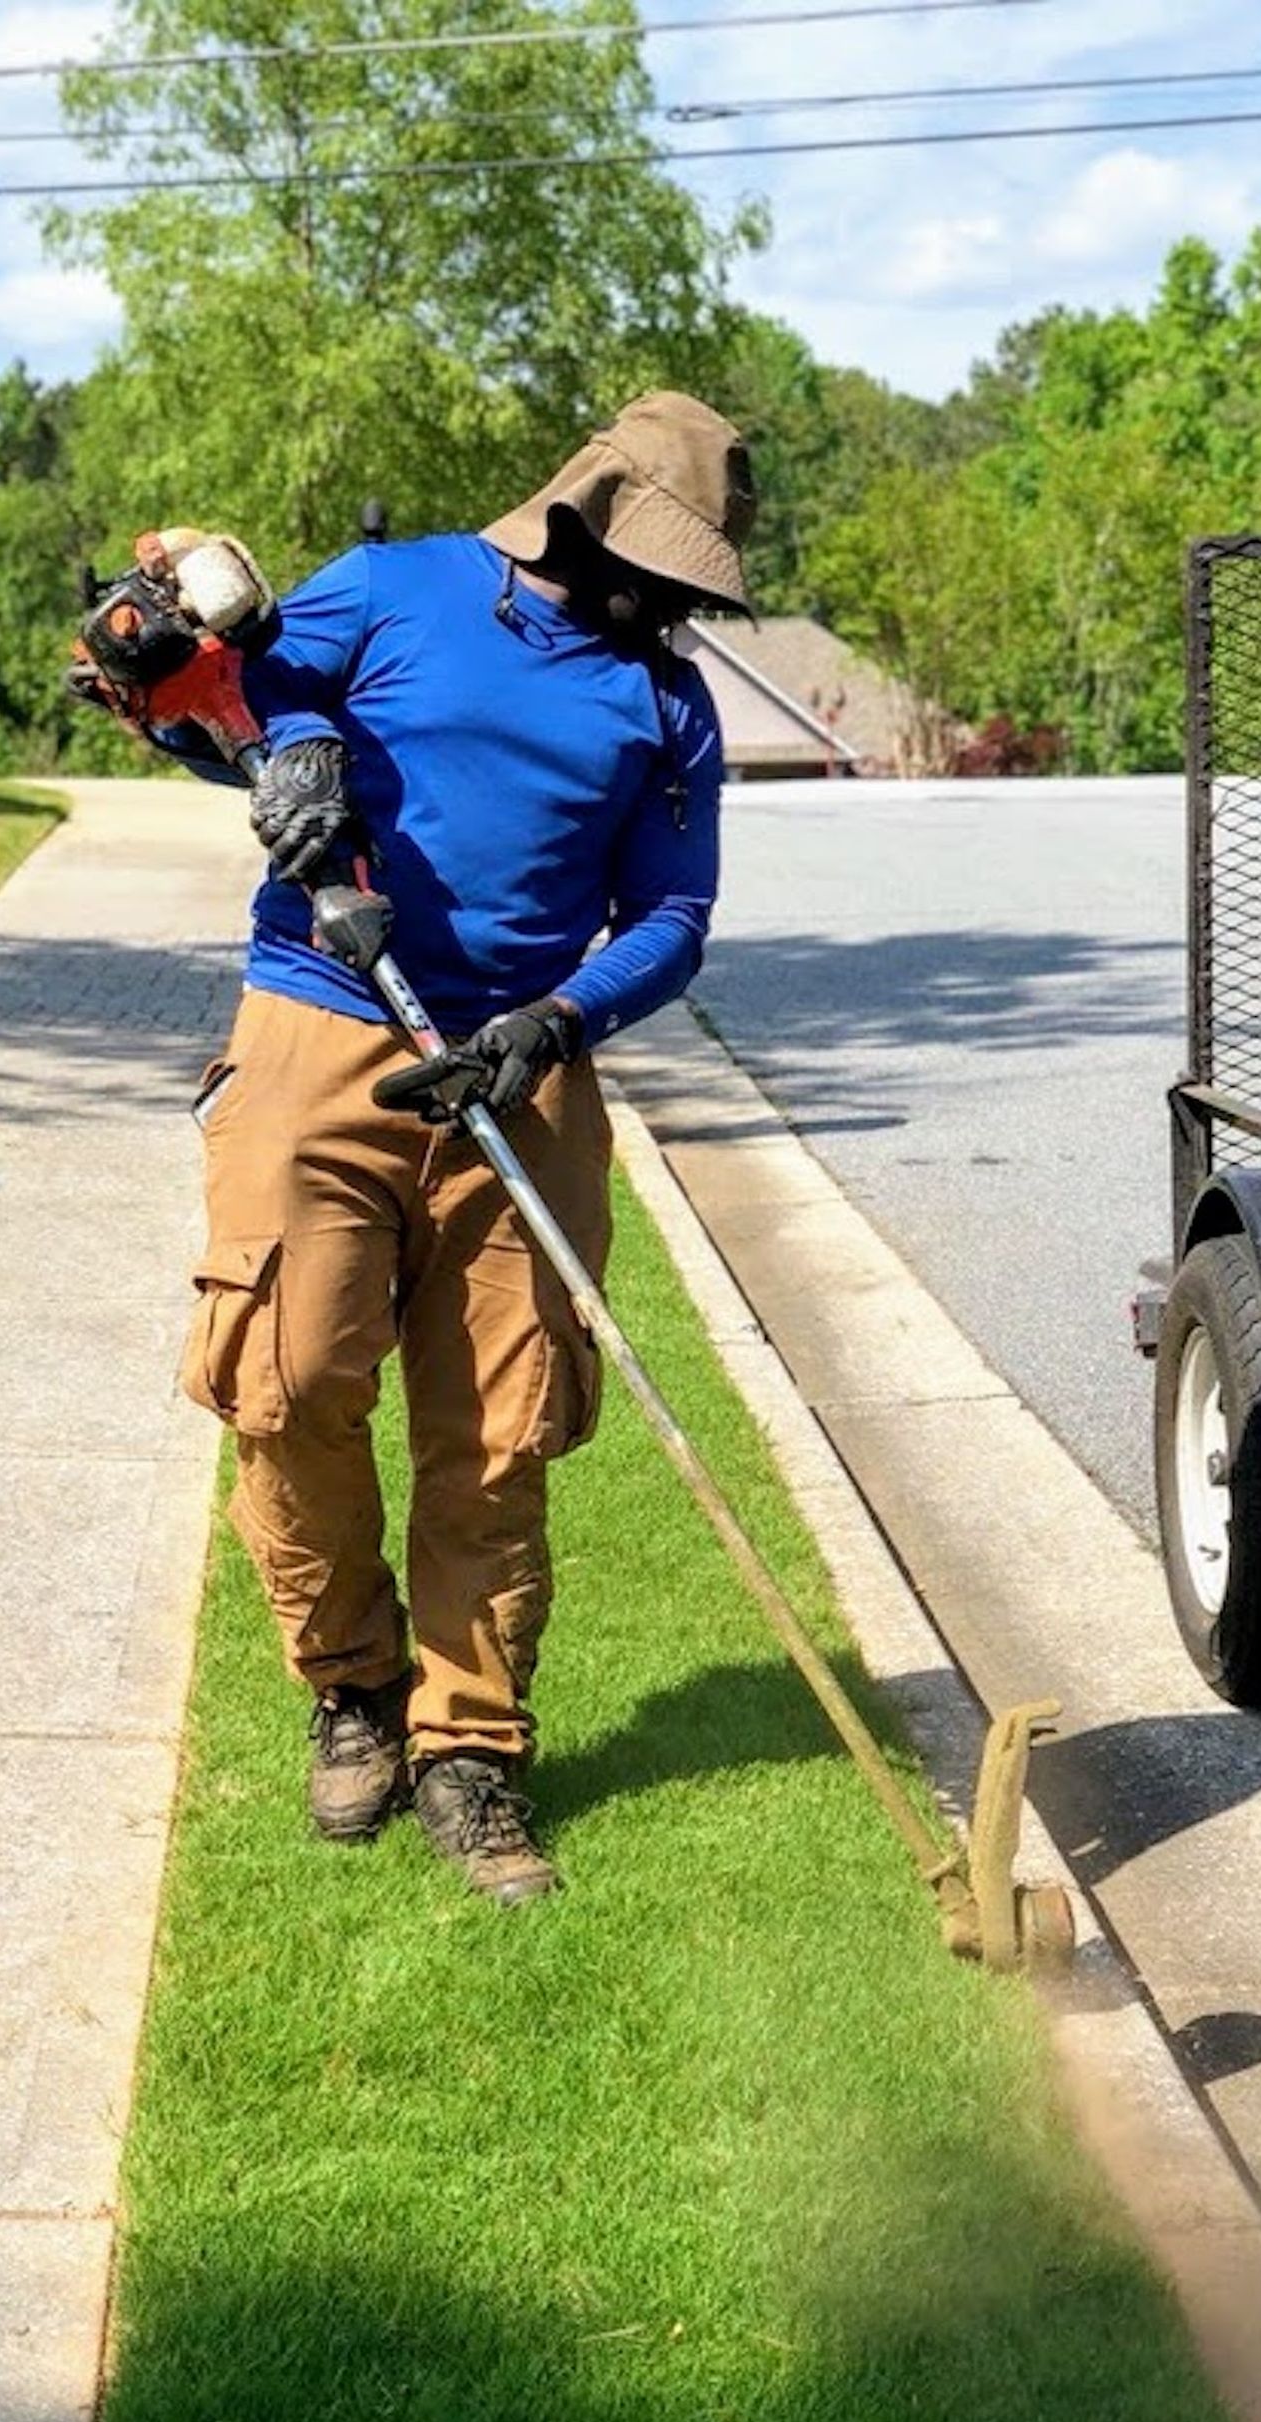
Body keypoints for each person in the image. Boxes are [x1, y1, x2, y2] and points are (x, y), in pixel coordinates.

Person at [182, 390, 754, 1904]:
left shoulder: (668, 704)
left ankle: (472, 1750)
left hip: (523, 1066)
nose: (686, 604)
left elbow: (678, 919)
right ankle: (353, 1683)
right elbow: (228, 698)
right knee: (290, 1375)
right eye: (674, 571)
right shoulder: (393, 585)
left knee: (501, 1428)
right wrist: (292, 761)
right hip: (325, 1023)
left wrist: (558, 1022)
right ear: (590, 526)